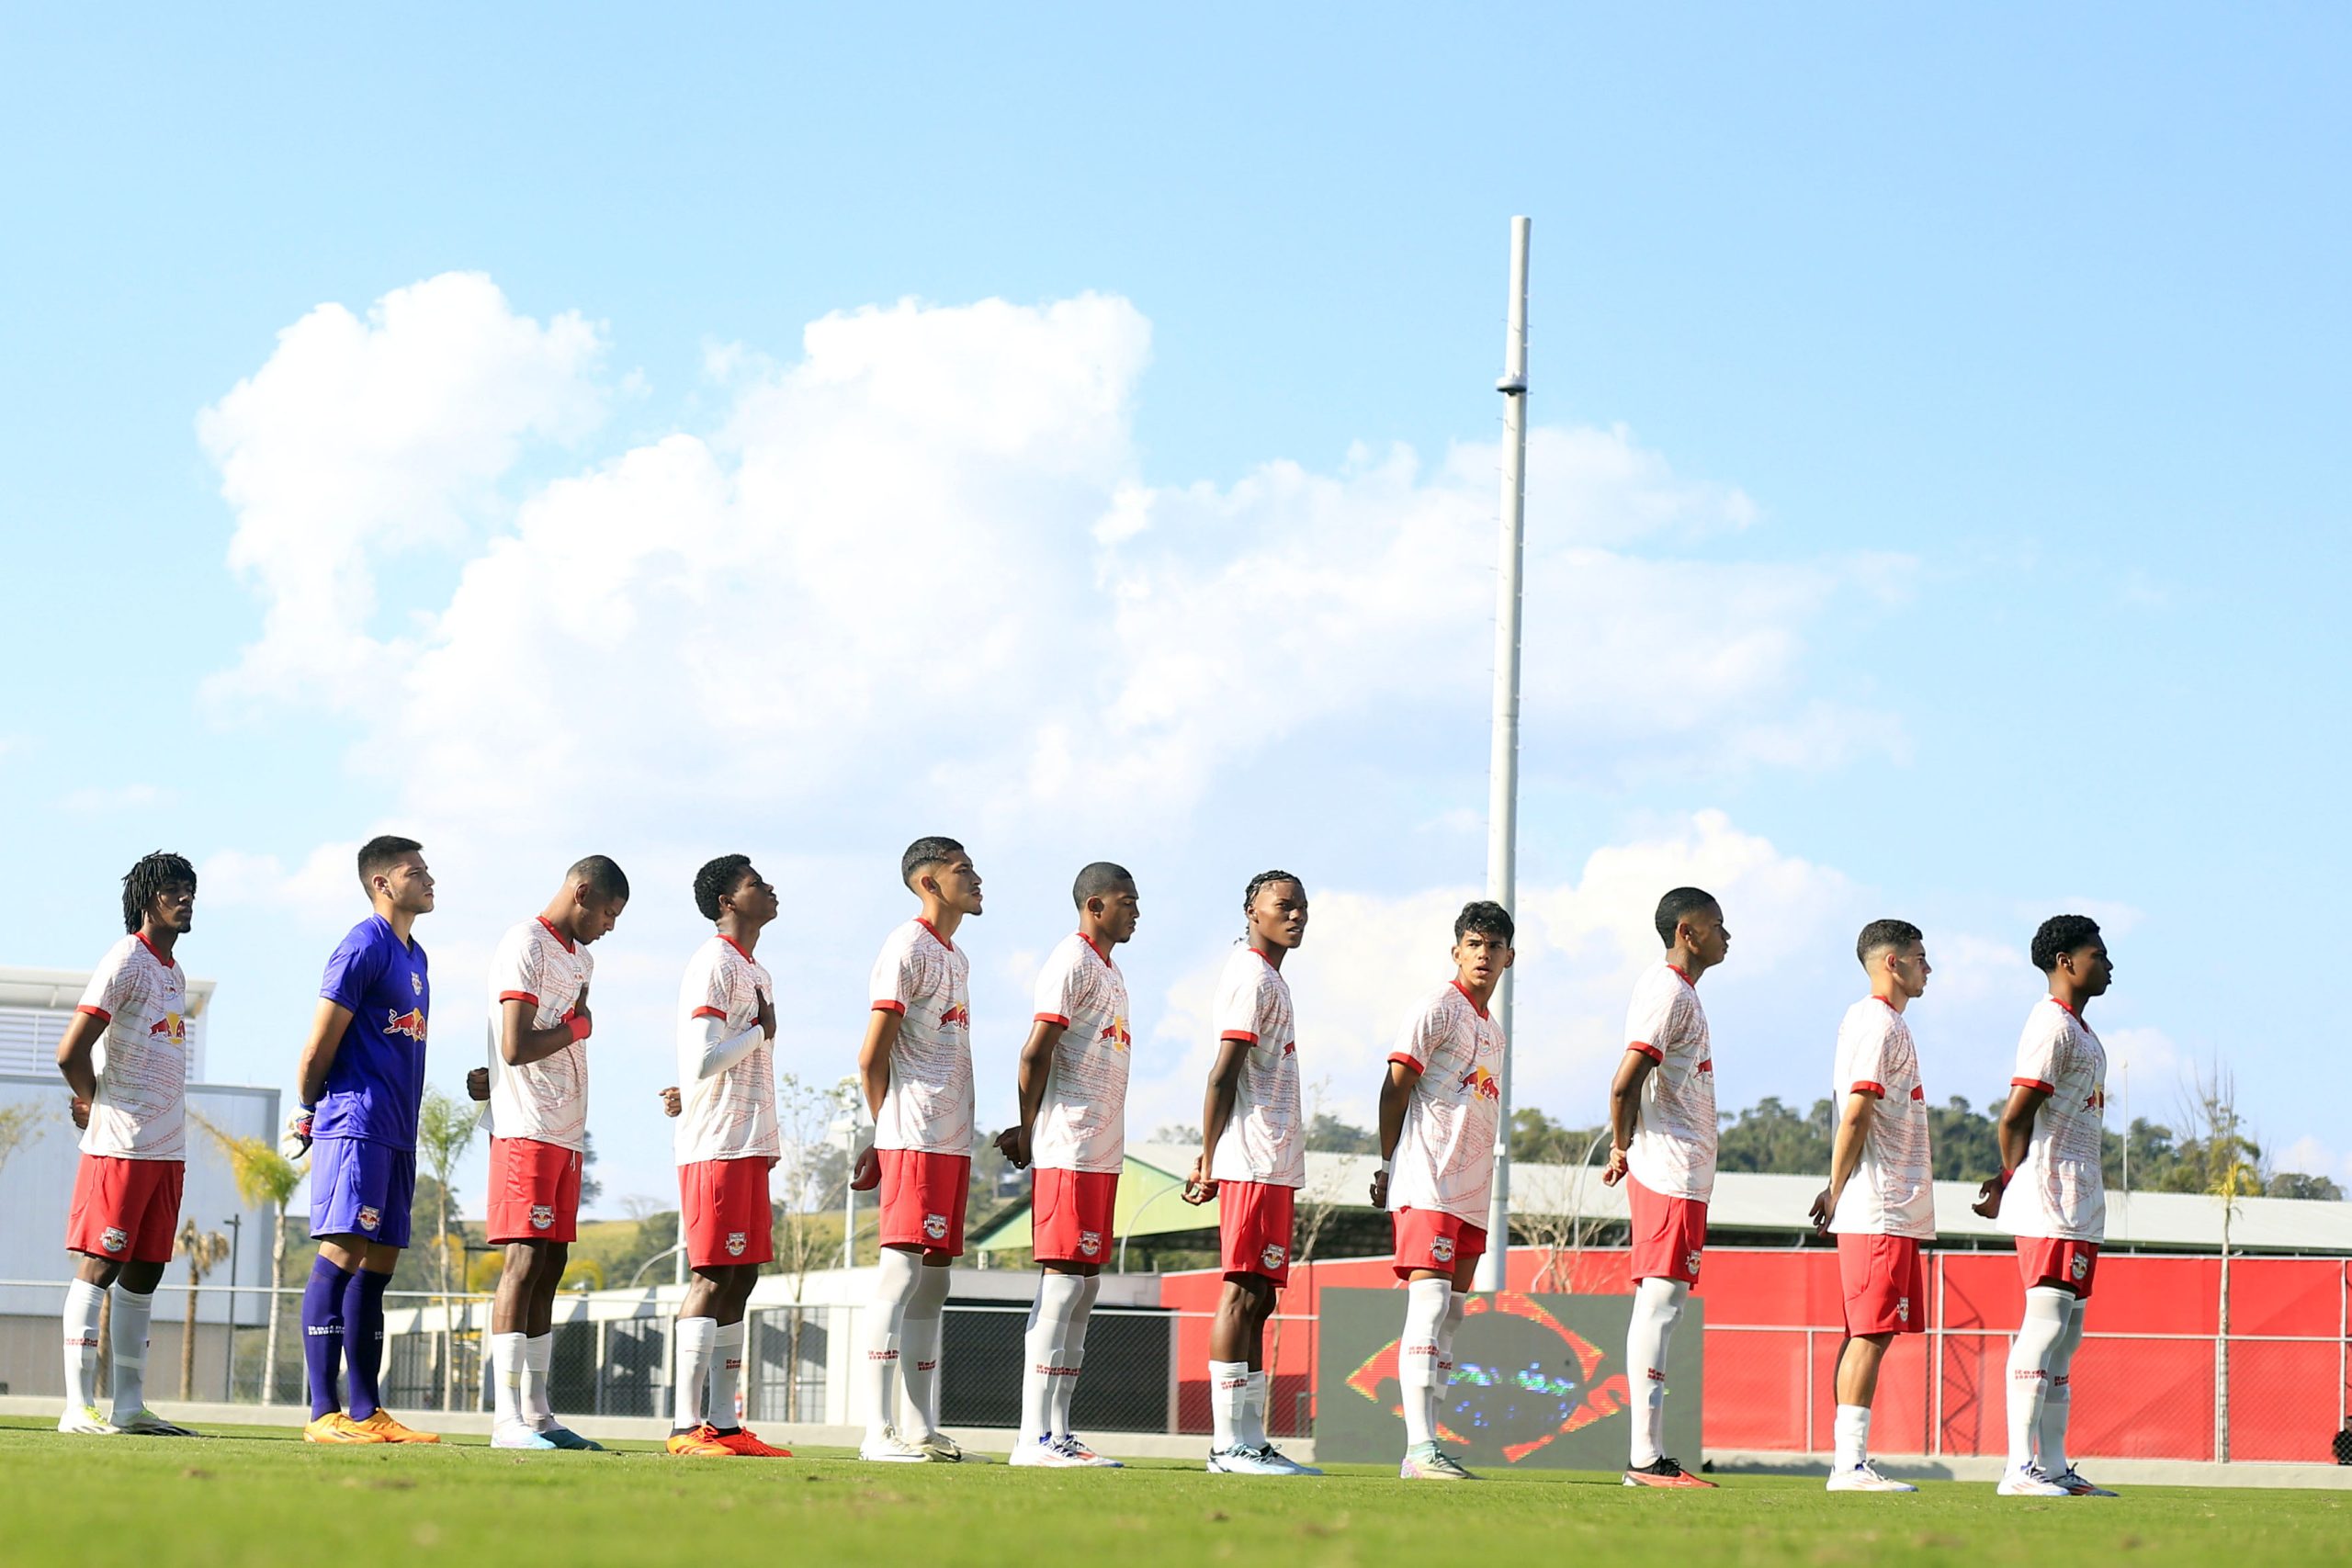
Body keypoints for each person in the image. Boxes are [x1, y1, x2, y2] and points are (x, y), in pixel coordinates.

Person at [288, 836, 442, 1444]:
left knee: (378, 1268)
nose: (430, 879)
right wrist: (308, 1106)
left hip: (398, 1131)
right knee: (343, 1253)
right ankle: (322, 1412)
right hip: (355, 1123)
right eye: (416, 871)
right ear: (382, 883)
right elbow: (319, 1041)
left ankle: (365, 1410)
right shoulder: (362, 944)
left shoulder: (418, 955)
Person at [51, 852, 203, 1436]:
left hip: (168, 1149)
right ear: (147, 898)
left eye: (190, 889)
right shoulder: (126, 958)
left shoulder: (174, 972)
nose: (185, 898)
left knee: (146, 1271)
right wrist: (94, 1104)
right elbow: (71, 1051)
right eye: (172, 889)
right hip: (119, 1144)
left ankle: (130, 1406)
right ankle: (75, 1407)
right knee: (101, 1263)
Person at [481, 856, 629, 1450]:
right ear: (582, 891)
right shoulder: (525, 942)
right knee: (522, 1261)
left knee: (551, 1263)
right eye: (608, 913)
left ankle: (540, 1412)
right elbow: (513, 1043)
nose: (609, 927)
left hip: (566, 1131)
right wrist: (579, 1028)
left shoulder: (582, 958)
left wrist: (577, 1026)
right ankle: (505, 1417)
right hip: (525, 1126)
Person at [998, 862, 1140, 1468]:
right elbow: (1035, 1051)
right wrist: (1028, 1128)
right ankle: (1032, 1435)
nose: (1136, 910)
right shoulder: (1072, 961)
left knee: (1084, 1288)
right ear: (1095, 905)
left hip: (1101, 1151)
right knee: (1061, 1284)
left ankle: (1058, 1428)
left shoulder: (1112, 971)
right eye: (1126, 900)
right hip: (1068, 1146)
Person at [1972, 914, 2118, 1498]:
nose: (2108, 965)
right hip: (2050, 1198)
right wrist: (2010, 1177)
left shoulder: (2085, 1033)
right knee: (2045, 1326)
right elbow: (2015, 1113)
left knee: (2068, 1335)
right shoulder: (2050, 1026)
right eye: (2098, 954)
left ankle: (2054, 1466)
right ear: (2066, 962)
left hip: (2081, 1201)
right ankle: (2017, 1469)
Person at [1182, 870, 1318, 1477]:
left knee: (1261, 1298)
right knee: (1240, 1291)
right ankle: (1225, 1444)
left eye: (1302, 906)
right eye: (1283, 905)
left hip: (1274, 1161)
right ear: (1251, 910)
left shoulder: (1274, 980)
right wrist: (1209, 1156)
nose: (1296, 915)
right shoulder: (1249, 975)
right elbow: (1222, 1073)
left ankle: (1251, 1437)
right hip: (1249, 1159)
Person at [1372, 900, 1513, 1481]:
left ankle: (1431, 1445)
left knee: (1452, 1314)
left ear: (1510, 956)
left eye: (1494, 945)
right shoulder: (1435, 1008)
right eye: (1474, 943)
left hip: (1471, 1192)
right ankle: (1419, 1449)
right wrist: (1386, 1161)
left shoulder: (1495, 1033)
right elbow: (1395, 1086)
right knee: (1429, 1304)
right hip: (1426, 1182)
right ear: (1456, 950)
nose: (1484, 954)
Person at [855, 836, 981, 1462]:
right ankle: (876, 1431)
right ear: (928, 882)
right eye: (963, 870)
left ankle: (918, 1425)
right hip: (912, 1135)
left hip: (951, 1141)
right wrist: (886, 1131)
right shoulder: (905, 946)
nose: (977, 877)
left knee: (935, 1281)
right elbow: (871, 1055)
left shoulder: (955, 955)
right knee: (901, 1273)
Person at [666, 855, 790, 1458]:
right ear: (726, 902)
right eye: (754, 883)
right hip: (715, 1144)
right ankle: (684, 1426)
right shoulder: (714, 962)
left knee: (743, 1274)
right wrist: (761, 1032)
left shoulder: (756, 969)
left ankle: (725, 1422)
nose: (768, 888)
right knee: (712, 1273)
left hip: (749, 1143)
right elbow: (702, 1057)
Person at [1602, 886, 1725, 1488]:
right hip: (1667, 1169)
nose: (1728, 935)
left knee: (1666, 1303)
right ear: (1688, 931)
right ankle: (1645, 1459)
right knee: (1660, 1301)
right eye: (1718, 924)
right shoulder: (1667, 989)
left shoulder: (1683, 994)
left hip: (1685, 1173)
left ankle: (1648, 1457)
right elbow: (1625, 1081)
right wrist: (1623, 1144)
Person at [1807, 919, 1935, 1492]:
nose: (1928, 969)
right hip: (1877, 1205)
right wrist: (1835, 1188)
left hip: (1890, 1206)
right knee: (1870, 1333)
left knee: (1870, 1331)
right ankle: (1849, 1466)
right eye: (1920, 957)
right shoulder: (1878, 1023)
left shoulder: (1881, 1023)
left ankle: (1851, 1461)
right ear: (1893, 964)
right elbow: (1857, 1110)